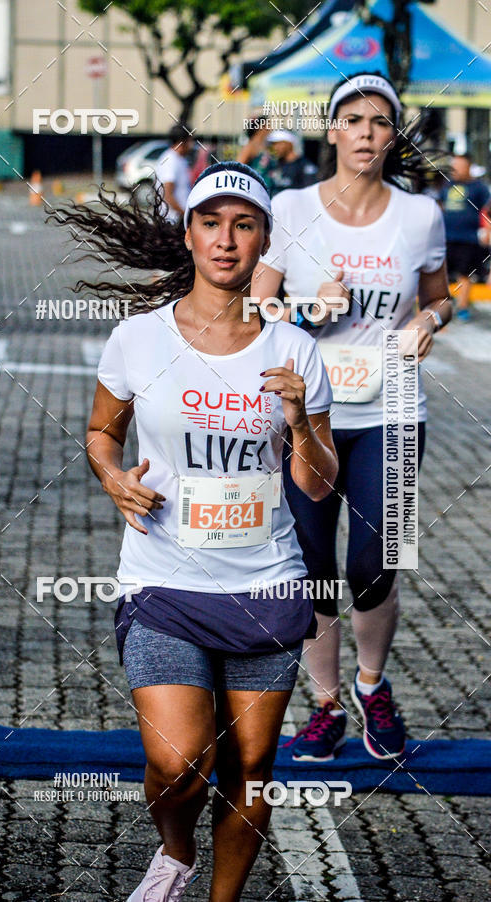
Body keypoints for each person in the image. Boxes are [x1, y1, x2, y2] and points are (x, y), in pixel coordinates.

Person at [64, 161, 338, 900]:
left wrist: (297, 422)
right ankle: (175, 850)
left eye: (243, 226)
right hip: (163, 581)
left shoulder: (295, 350)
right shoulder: (138, 338)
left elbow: (318, 481)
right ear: (188, 234)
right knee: (179, 762)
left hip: (266, 581)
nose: (226, 240)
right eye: (211, 223)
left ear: (262, 243)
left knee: (252, 768)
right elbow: (100, 432)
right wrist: (112, 476)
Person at [251, 71, 452, 762]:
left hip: (393, 409)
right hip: (309, 414)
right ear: (333, 130)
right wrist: (311, 311)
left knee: (373, 563)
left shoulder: (420, 214)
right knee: (311, 565)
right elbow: (256, 306)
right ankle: (326, 703)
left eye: (378, 122)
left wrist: (430, 319)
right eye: (353, 121)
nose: (366, 133)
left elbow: (441, 296)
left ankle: (373, 686)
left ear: (393, 134)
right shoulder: (291, 206)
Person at [440, 152, 489, 321]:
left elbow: (487, 211)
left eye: (459, 165)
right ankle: (442, 307)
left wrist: (487, 231)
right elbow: (440, 207)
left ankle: (462, 308)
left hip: (468, 238)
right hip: (446, 237)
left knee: (464, 274)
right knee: (442, 274)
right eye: (454, 166)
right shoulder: (447, 185)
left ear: (468, 167)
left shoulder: (478, 187)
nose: (456, 169)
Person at [154, 123, 194, 224]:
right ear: (182, 142)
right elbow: (167, 194)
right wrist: (185, 214)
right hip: (171, 221)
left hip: (179, 219)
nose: (192, 145)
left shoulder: (180, 159)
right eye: (190, 140)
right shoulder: (170, 160)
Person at [266, 129, 318, 195]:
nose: (275, 148)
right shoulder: (274, 165)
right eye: (273, 144)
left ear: (289, 143)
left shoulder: (305, 166)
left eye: (278, 144)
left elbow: (310, 193)